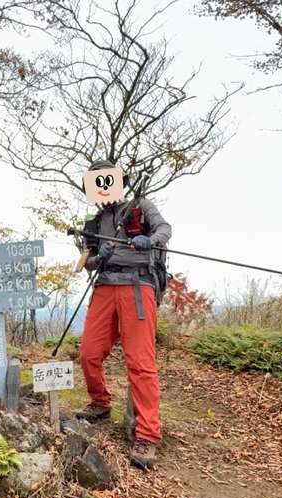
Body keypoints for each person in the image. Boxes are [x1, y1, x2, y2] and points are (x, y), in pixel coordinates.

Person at [76, 159, 172, 469]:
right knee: (89, 353)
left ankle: (147, 434)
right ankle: (100, 402)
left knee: (140, 363)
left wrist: (150, 240)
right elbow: (86, 262)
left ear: (118, 181)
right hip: (105, 286)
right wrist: (98, 257)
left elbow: (165, 229)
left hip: (138, 286)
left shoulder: (141, 206)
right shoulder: (93, 223)